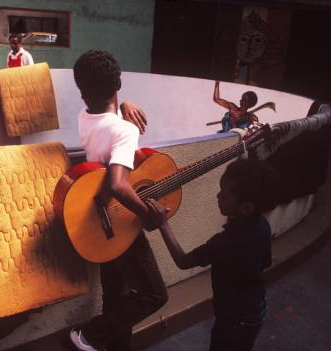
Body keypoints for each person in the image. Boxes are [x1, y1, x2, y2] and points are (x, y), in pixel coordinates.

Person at [68, 50, 167, 351]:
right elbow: (118, 184)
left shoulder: (84, 117)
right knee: (154, 295)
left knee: (117, 296)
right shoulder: (125, 129)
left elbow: (106, 121)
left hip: (101, 221)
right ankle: (89, 336)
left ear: (82, 91)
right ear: (118, 84)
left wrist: (123, 106)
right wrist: (150, 216)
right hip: (121, 221)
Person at [146, 159, 280, 351]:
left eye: (224, 194)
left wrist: (163, 224)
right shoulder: (261, 225)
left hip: (236, 320)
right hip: (254, 308)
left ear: (246, 207)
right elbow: (265, 262)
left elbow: (182, 261)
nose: (218, 196)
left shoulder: (225, 243)